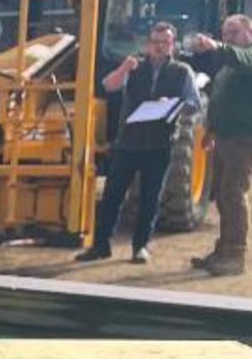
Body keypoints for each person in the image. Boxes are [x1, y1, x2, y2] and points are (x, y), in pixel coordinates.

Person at [76, 21, 201, 264]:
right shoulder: (134, 67)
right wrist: (123, 69)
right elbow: (108, 86)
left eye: (164, 42)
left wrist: (172, 105)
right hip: (128, 144)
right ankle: (100, 245)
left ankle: (140, 247)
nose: (159, 47)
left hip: (160, 145)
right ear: (147, 44)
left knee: (150, 198)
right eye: (155, 42)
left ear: (172, 45)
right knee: (112, 196)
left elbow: (193, 103)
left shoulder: (182, 72)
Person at [186, 13, 252, 277]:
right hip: (224, 137)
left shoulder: (246, 57)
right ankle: (223, 250)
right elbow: (220, 99)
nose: (228, 38)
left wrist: (216, 46)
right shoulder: (227, 67)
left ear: (249, 33)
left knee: (234, 194)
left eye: (234, 32)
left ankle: (235, 255)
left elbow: (240, 58)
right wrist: (210, 131)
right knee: (224, 197)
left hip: (242, 139)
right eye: (225, 33)